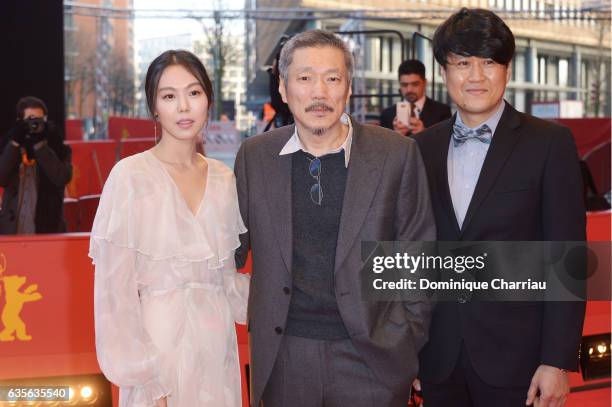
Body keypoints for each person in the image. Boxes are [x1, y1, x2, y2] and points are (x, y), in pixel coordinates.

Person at [234, 30, 435, 407]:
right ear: (283, 86)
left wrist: (406, 339)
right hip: (285, 360)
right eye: (305, 78)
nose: (319, 92)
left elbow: (417, 259)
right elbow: (226, 251)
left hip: (372, 360)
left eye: (332, 78)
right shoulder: (255, 157)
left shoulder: (396, 154)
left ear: (348, 87)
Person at [414, 8, 586, 407]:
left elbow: (567, 257)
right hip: (437, 361)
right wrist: (406, 354)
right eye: (462, 63)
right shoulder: (419, 149)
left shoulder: (549, 144)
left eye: (489, 62)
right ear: (443, 72)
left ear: (507, 69)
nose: (476, 77)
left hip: (520, 364)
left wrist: (557, 360)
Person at [89, 50, 248, 407]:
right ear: (154, 108)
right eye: (169, 96)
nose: (183, 107)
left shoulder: (224, 179)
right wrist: (146, 380)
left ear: (208, 99)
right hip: (158, 348)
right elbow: (114, 294)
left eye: (194, 93)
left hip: (216, 347)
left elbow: (227, 280)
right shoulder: (130, 176)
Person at [0, 96, 72, 234]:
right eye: (30, 120)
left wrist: (40, 146)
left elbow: (61, 177)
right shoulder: (9, 148)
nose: (34, 124)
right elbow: (1, 177)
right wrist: (15, 143)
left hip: (47, 230)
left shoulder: (59, 149)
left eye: (39, 120)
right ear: (19, 122)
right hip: (12, 231)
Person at [379, 59, 451, 136]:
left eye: (415, 84)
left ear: (425, 83)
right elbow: (382, 147)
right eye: (404, 85)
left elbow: (447, 145)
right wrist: (396, 137)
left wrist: (424, 134)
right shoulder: (387, 115)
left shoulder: (442, 112)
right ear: (399, 85)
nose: (409, 90)